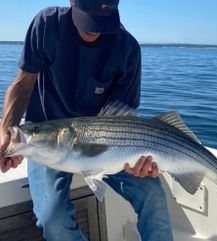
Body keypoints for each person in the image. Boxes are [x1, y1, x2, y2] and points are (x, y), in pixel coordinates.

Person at [0, 1, 173, 240]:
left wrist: (139, 161)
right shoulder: (47, 25)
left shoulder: (128, 49)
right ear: (72, 1)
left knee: (153, 196)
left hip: (110, 145)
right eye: (88, 15)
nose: (94, 27)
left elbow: (124, 120)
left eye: (103, 17)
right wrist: (7, 130)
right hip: (47, 142)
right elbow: (23, 83)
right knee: (52, 220)